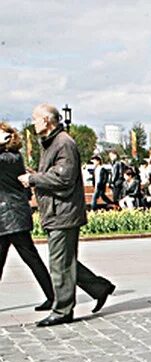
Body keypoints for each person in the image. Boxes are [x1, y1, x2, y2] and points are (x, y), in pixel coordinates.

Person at [19, 104, 115, 326]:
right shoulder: (53, 143)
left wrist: (33, 179)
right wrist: (38, 175)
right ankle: (99, 288)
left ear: (47, 121)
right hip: (58, 211)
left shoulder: (63, 143)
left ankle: (62, 310)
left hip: (63, 211)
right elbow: (55, 174)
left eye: (36, 119)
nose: (33, 123)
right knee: (63, 260)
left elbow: (64, 179)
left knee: (59, 262)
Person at [0, 123, 54, 310]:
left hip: (11, 214)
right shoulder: (11, 157)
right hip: (9, 215)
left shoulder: (8, 158)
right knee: (27, 257)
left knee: (30, 257)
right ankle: (52, 295)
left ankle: (52, 296)